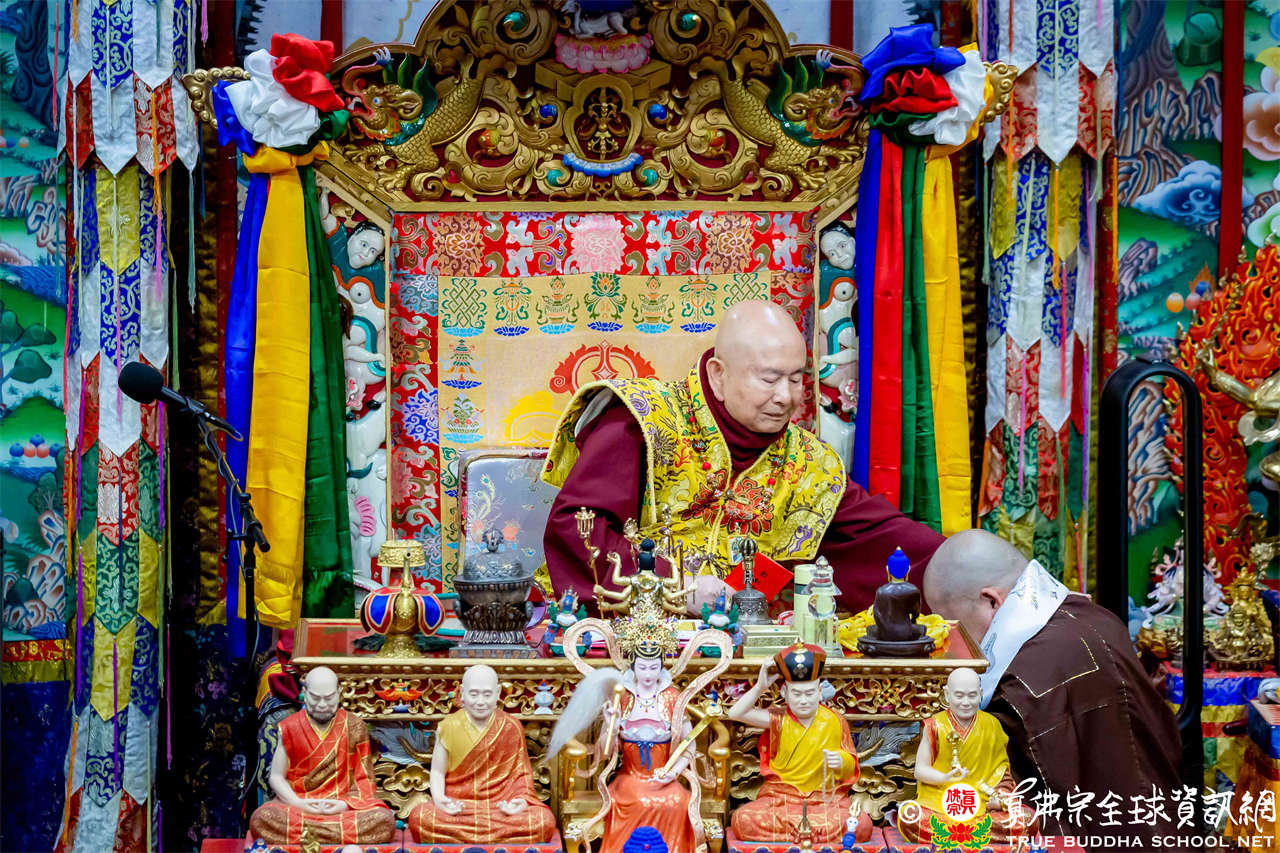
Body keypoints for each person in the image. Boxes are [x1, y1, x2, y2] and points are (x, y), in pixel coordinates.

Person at [542, 299, 944, 615]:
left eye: (796, 379)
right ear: (718, 375)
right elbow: (576, 527)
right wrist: (675, 586)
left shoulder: (809, 464)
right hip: (627, 630)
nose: (786, 397)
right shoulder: (644, 420)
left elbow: (882, 539)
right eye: (769, 379)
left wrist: (959, 565)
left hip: (741, 643)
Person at [923, 530, 1187, 845]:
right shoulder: (1096, 618)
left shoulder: (1021, 681)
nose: (957, 649)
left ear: (991, 600)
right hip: (1163, 827)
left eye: (957, 630)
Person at [547, 611, 732, 853]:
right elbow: (606, 752)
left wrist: (674, 772)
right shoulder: (622, 696)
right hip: (631, 776)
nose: (648, 674)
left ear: (661, 667)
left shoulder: (672, 697)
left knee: (678, 801)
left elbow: (689, 743)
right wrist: (611, 724)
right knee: (635, 801)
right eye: (642, 668)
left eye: (654, 668)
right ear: (633, 667)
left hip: (665, 776)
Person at [727, 642, 869, 844]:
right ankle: (812, 834)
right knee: (742, 819)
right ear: (785, 693)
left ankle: (796, 834)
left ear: (820, 691)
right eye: (796, 694)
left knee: (861, 823)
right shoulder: (778, 719)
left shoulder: (835, 721)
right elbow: (735, 713)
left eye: (809, 693)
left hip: (824, 800)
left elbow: (850, 765)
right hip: (781, 798)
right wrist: (760, 687)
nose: (803, 701)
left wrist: (842, 761)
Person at [408, 664, 556, 843]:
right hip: (460, 807)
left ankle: (465, 838)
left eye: (487, 694)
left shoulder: (511, 726)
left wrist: (520, 802)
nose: (480, 702)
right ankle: (498, 838)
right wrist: (440, 799)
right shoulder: (449, 726)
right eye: (473, 694)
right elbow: (438, 771)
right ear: (462, 693)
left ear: (498, 692)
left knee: (544, 820)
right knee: (419, 816)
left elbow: (522, 777)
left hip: (500, 808)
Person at [248, 666, 395, 844]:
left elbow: (364, 779)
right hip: (301, 807)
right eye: (316, 698)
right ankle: (335, 836)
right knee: (262, 818)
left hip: (341, 808)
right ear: (304, 693)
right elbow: (277, 777)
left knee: (383, 820)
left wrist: (344, 805)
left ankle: (309, 836)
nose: (322, 705)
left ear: (339, 693)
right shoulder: (289, 727)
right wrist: (297, 802)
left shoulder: (355, 726)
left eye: (329, 698)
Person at [895, 667, 1035, 844]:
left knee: (1028, 819)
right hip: (941, 801)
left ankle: (953, 835)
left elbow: (1002, 774)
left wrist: (999, 799)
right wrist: (945, 778)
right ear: (947, 695)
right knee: (910, 816)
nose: (966, 702)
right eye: (959, 696)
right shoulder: (935, 725)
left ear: (980, 694)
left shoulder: (992, 725)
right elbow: (920, 770)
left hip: (982, 803)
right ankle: (976, 834)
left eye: (972, 695)